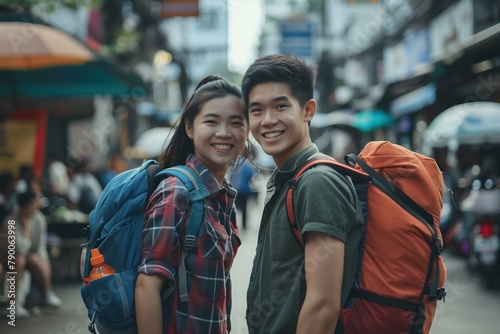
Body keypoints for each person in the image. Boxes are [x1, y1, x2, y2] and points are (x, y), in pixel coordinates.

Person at [241, 54, 364, 333]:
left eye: (281, 106)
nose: (268, 120)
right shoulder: (291, 179)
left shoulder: (317, 182)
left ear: (308, 110)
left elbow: (323, 305)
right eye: (256, 110)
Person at [135, 74, 253, 334]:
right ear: (190, 128)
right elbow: (148, 285)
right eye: (211, 121)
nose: (224, 133)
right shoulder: (176, 193)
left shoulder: (223, 195)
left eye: (236, 123)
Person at [0, 191, 62, 316]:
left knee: (38, 258)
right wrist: (26, 227)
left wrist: (43, 260)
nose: (35, 208)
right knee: (19, 260)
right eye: (32, 205)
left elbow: (40, 245)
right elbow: (19, 250)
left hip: (29, 255)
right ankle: (13, 303)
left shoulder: (39, 218)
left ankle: (47, 293)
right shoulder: (10, 222)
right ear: (23, 207)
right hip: (8, 256)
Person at [229, 156, 258, 230]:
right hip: (245, 189)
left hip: (236, 189)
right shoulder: (248, 165)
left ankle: (233, 224)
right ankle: (244, 225)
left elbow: (231, 176)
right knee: (244, 209)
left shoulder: (235, 164)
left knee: (235, 207)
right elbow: (252, 175)